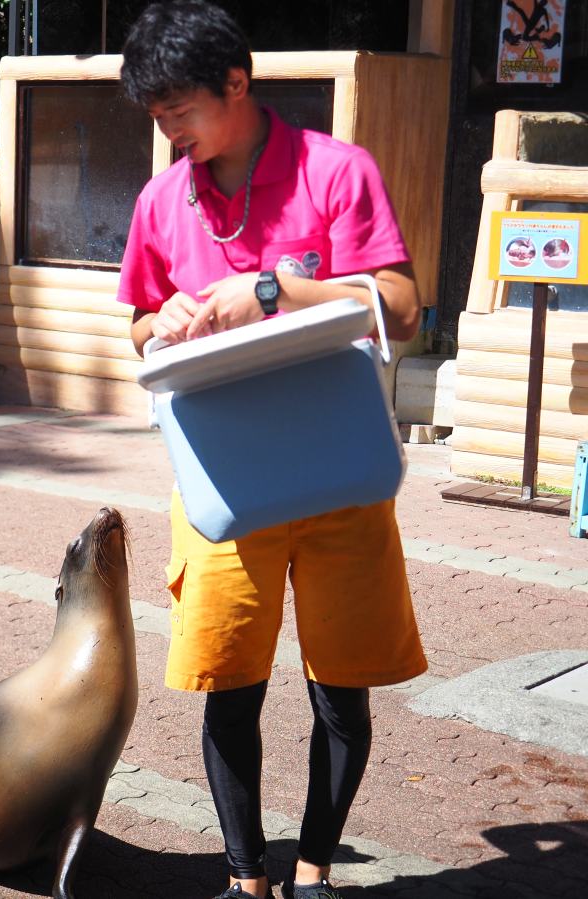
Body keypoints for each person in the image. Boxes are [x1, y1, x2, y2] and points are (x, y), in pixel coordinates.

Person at [117, 4, 428, 898]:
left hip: (338, 472)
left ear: (237, 83)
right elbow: (136, 324)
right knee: (230, 687)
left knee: (342, 689)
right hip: (223, 478)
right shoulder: (161, 200)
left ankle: (315, 873)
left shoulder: (336, 170)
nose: (168, 131)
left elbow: (403, 309)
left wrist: (275, 290)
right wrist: (161, 321)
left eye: (179, 110)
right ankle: (247, 879)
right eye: (156, 114)